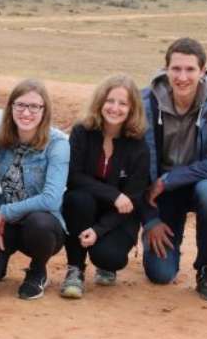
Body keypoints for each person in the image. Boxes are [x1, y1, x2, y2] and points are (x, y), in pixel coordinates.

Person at [140, 37, 207, 301]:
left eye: (190, 70)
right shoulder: (146, 102)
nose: (182, 77)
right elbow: (138, 164)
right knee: (160, 274)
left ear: (202, 71)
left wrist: (171, 179)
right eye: (176, 69)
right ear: (166, 69)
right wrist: (150, 218)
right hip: (163, 190)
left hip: (201, 181)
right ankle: (165, 244)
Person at [0, 78, 69, 300]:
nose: (26, 112)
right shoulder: (0, 138)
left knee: (38, 222)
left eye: (34, 106)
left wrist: (5, 212)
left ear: (44, 110)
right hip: (8, 225)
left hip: (43, 225)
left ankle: (37, 270)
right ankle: (1, 263)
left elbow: (51, 199)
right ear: (11, 108)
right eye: (20, 105)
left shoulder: (58, 144)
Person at [59, 75, 150, 298]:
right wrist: (113, 194)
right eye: (110, 101)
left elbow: (133, 199)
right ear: (100, 102)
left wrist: (99, 230)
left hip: (119, 216)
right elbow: (72, 176)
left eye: (123, 103)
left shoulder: (139, 146)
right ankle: (75, 269)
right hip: (86, 207)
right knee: (77, 199)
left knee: (110, 257)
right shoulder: (82, 131)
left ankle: (105, 264)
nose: (115, 108)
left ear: (132, 109)